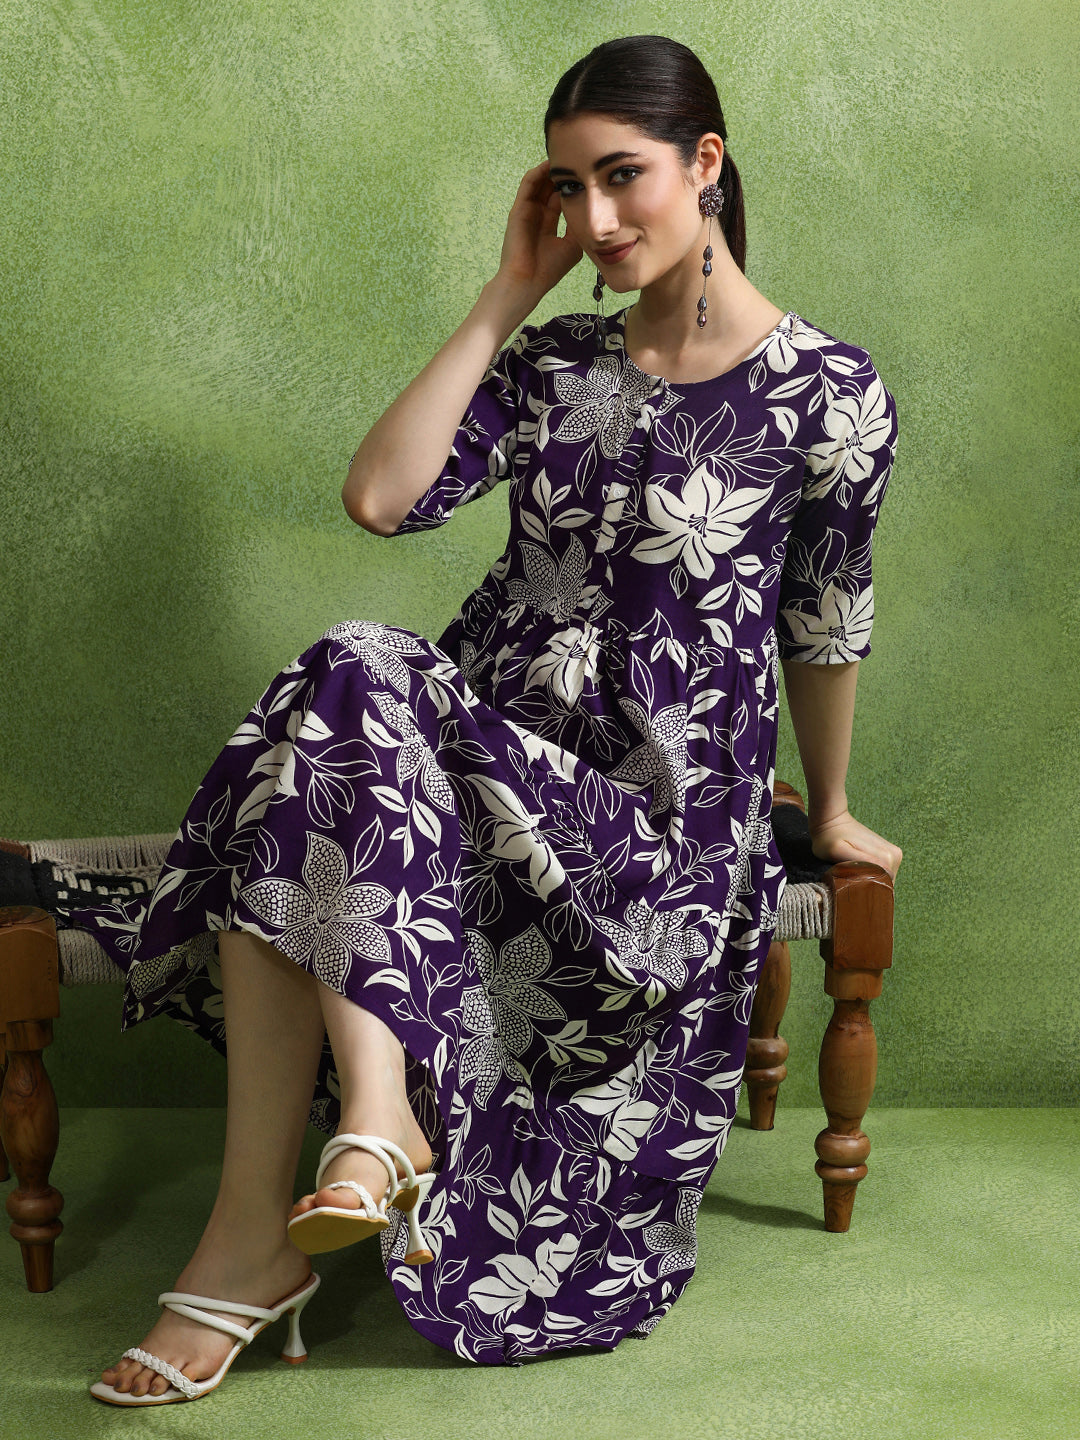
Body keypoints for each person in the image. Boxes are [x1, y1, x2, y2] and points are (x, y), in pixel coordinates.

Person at [73, 34, 902, 1398]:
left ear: (705, 163)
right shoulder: (556, 361)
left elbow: (825, 625)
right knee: (349, 690)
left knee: (325, 737)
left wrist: (837, 802)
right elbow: (380, 501)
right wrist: (507, 295)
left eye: (623, 176)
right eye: (571, 187)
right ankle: (320, 1173)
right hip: (473, 770)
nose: (598, 218)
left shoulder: (831, 394)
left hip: (646, 837)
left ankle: (294, 1205)